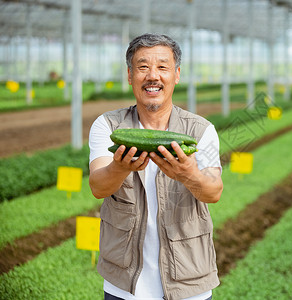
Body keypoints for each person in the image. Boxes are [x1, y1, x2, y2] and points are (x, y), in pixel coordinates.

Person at [88, 33, 223, 300]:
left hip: (188, 283)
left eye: (162, 67)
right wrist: (120, 168)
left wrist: (189, 174)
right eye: (142, 67)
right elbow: (98, 187)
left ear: (176, 74)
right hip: (123, 285)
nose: (153, 75)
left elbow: (213, 192)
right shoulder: (107, 126)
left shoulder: (202, 131)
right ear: (130, 75)